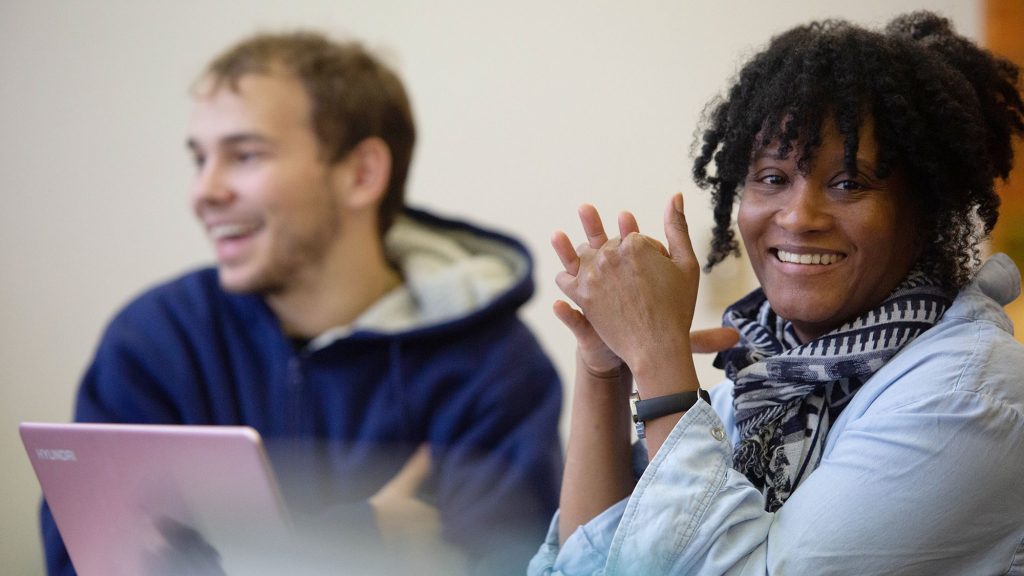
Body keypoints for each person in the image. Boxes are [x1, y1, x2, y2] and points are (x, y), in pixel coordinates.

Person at [40, 31, 562, 575]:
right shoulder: (155, 343)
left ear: (361, 174)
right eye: (200, 159)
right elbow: (84, 564)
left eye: (244, 155)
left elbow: (519, 566)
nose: (204, 191)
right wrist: (361, 539)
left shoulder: (493, 366)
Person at [531, 11, 1024, 575]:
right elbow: (590, 566)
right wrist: (605, 370)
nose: (799, 215)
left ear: (924, 212)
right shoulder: (766, 384)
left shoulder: (968, 396)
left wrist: (660, 362)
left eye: (848, 183)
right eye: (772, 177)